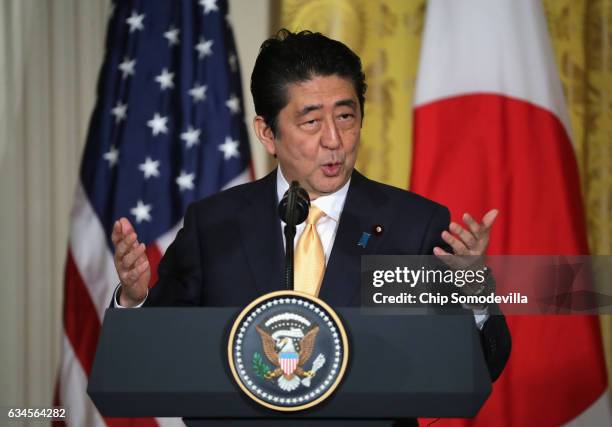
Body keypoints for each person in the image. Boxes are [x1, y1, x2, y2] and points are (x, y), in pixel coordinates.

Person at [111, 30, 510, 383]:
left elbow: (476, 367)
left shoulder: (414, 226)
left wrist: (474, 291)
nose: (334, 140)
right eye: (312, 122)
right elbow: (154, 356)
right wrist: (134, 298)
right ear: (268, 133)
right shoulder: (214, 225)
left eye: (346, 116)